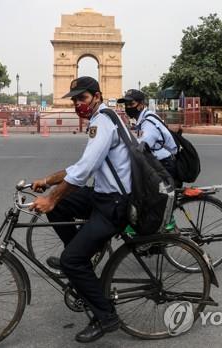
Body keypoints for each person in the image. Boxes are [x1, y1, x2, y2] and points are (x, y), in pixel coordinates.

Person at [30, 76, 130, 343]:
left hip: (114, 204)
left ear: (96, 96)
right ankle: (81, 256)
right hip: (102, 195)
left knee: (71, 260)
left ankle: (106, 317)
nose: (77, 104)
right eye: (74, 99)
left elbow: (84, 169)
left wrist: (51, 197)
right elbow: (84, 164)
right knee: (62, 207)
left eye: (82, 98)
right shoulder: (104, 118)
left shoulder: (103, 122)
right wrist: (48, 180)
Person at [117, 89, 179, 182]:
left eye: (131, 104)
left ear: (141, 104)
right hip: (158, 163)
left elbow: (142, 146)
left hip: (163, 165)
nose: (128, 107)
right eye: (126, 105)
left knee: (156, 195)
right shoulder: (144, 118)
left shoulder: (148, 122)